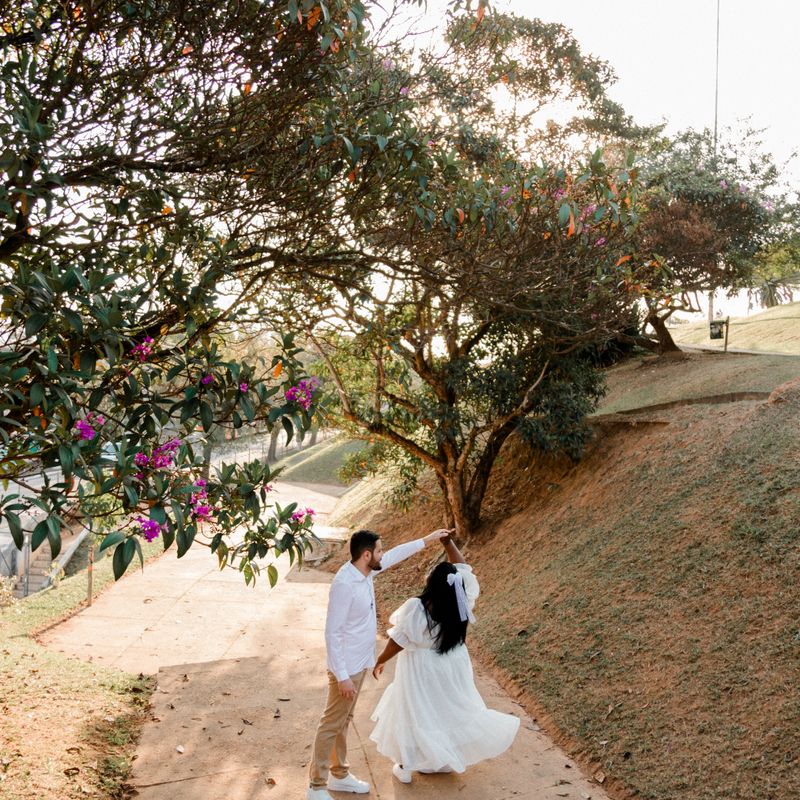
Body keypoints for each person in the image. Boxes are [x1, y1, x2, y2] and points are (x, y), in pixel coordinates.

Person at [307, 526, 450, 800]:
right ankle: (315, 786)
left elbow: (395, 555)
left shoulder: (366, 571)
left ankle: (339, 775)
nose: (384, 554)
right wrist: (342, 676)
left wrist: (427, 539)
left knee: (343, 721)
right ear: (366, 554)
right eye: (379, 551)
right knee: (331, 722)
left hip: (360, 663)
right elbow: (332, 633)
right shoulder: (345, 584)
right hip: (346, 667)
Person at [369, 535, 520, 783]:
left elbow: (399, 641)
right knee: (446, 707)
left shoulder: (416, 608)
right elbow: (463, 569)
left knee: (415, 709)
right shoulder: (463, 599)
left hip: (420, 667)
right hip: (452, 662)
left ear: (433, 584)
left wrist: (380, 660)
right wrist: (448, 544)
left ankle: (406, 766)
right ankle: (444, 758)